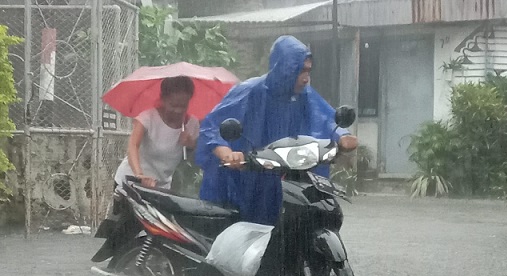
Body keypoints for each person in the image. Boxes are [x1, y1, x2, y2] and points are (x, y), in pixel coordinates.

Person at [195, 35, 358, 226]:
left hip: (287, 177)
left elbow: (324, 118)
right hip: (246, 177)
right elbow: (212, 125)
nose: (306, 79)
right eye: (300, 71)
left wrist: (342, 136)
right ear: (285, 69)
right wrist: (226, 153)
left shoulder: (304, 95)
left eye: (308, 71)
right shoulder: (251, 90)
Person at [114, 76, 200, 189]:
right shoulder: (148, 117)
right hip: (131, 182)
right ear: (163, 99)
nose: (178, 110)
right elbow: (133, 146)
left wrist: (191, 144)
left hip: (160, 187)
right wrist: (139, 175)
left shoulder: (192, 124)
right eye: (173, 105)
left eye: (183, 106)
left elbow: (194, 159)